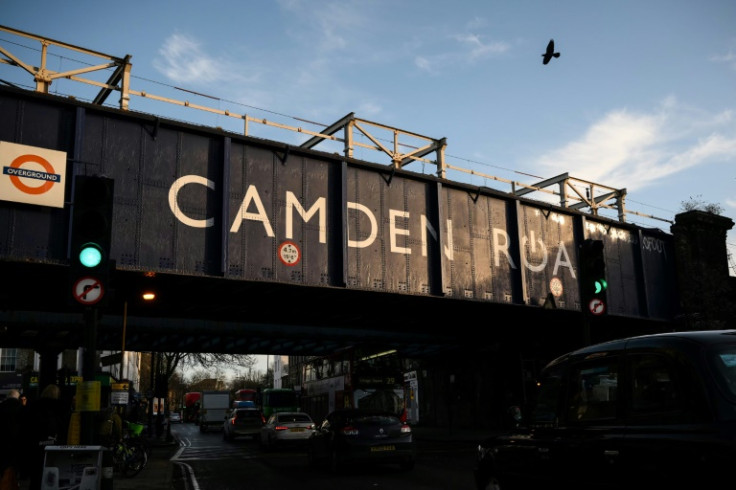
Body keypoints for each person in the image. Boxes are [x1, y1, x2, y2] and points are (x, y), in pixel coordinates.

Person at [21, 384, 71, 490]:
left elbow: (27, 433)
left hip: (36, 453)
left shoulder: (34, 409)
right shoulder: (60, 410)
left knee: (36, 481)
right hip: (55, 452)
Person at [0, 389, 23, 490]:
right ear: (17, 397)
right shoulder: (21, 408)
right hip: (17, 446)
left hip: (3, 445)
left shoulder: (1, 407)